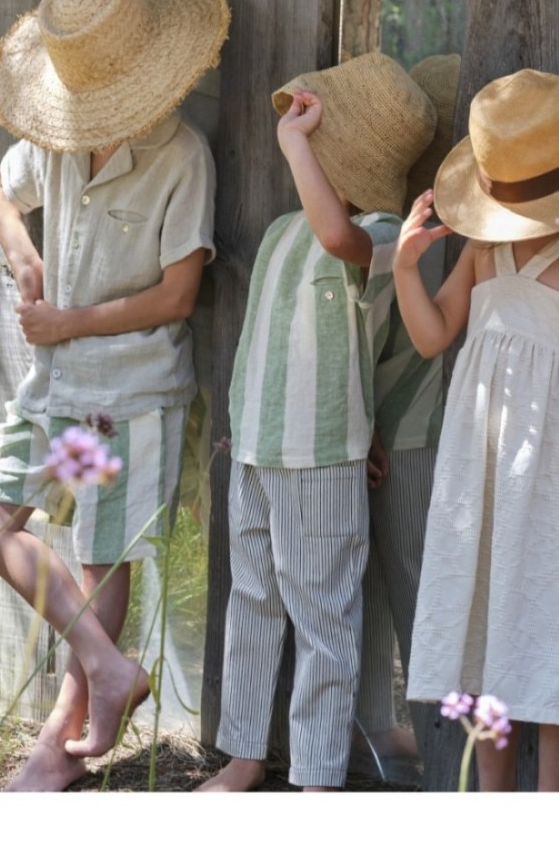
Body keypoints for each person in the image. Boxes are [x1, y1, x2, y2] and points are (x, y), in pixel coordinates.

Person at [0, 0, 228, 791]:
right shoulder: (60, 131)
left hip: (130, 391)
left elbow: (178, 296)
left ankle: (60, 748)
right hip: (55, 385)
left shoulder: (181, 154)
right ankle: (111, 670)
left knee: (100, 559)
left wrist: (67, 321)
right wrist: (23, 256)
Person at [395, 68, 559, 792]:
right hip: (482, 472)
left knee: (558, 622)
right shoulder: (485, 250)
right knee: (485, 625)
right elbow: (433, 336)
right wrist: (407, 269)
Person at [195, 52, 436, 793]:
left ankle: (319, 776)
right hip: (258, 448)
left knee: (324, 618)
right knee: (252, 603)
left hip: (323, 454)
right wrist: (241, 425)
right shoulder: (279, 231)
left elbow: (340, 241)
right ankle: (243, 755)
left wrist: (292, 142)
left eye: (316, 138)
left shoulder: (384, 231)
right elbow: (272, 340)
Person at [352, 54, 460, 780]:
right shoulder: (427, 227)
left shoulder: (405, 226)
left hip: (402, 432)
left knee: (396, 588)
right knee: (411, 588)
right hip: (410, 432)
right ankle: (415, 743)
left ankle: (410, 742)